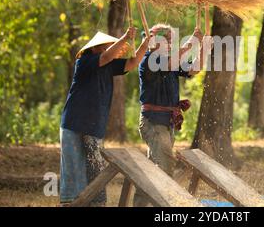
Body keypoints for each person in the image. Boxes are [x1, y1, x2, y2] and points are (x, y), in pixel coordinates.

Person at [59, 28, 151, 206]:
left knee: (95, 168)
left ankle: (97, 203)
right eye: (106, 47)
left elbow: (132, 63)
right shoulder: (84, 61)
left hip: (93, 124)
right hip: (74, 123)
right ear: (95, 48)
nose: (110, 49)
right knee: (73, 168)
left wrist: (144, 45)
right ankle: (71, 203)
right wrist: (125, 37)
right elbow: (107, 57)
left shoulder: (108, 64)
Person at [133, 24, 212, 207]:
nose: (170, 44)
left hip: (166, 123)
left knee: (152, 168)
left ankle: (140, 204)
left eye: (170, 40)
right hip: (153, 123)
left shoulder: (170, 61)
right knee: (166, 166)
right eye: (166, 40)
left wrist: (203, 47)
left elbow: (194, 69)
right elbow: (169, 64)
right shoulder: (149, 60)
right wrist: (191, 42)